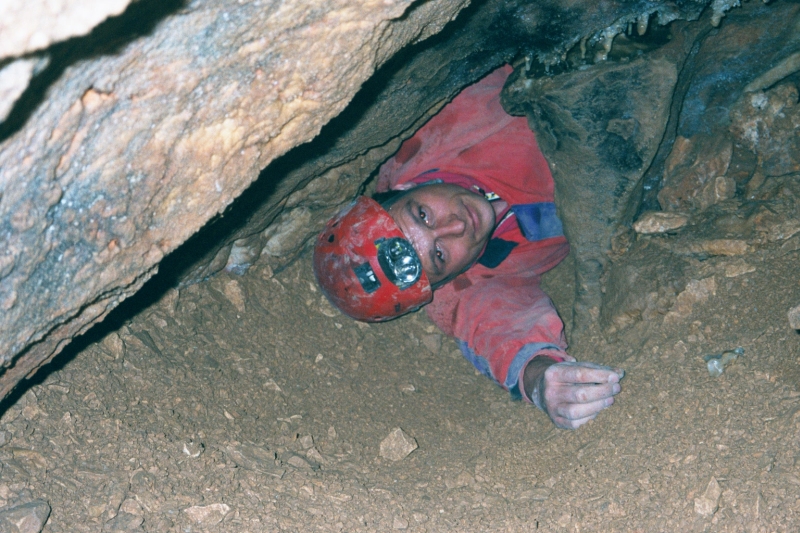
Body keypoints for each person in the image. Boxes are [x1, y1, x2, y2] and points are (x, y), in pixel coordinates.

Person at [313, 65, 623, 429]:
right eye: (440, 255)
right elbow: (493, 331)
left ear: (400, 188)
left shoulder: (442, 126)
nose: (456, 226)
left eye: (423, 214)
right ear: (445, 282)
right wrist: (540, 381)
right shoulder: (471, 281)